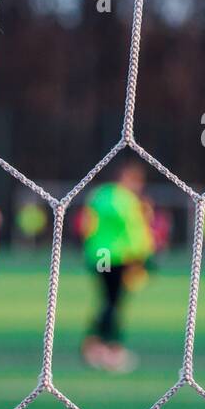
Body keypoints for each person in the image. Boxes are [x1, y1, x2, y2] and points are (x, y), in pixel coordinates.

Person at [80, 160, 155, 373]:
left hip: (99, 256)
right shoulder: (128, 201)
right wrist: (143, 257)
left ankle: (94, 346)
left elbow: (86, 225)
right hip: (119, 258)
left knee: (107, 300)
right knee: (114, 302)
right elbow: (135, 232)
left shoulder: (100, 195)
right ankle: (111, 350)